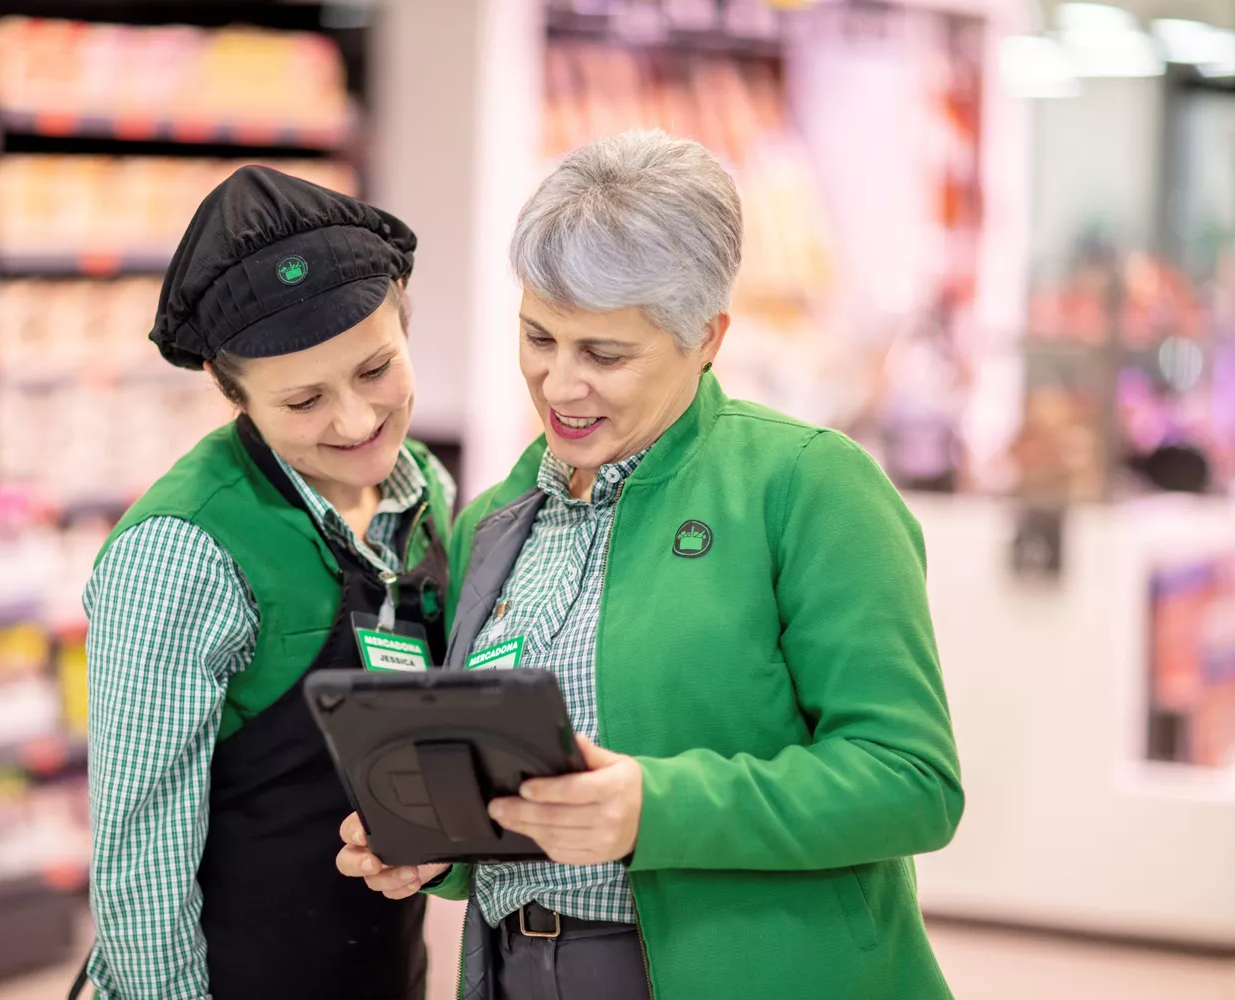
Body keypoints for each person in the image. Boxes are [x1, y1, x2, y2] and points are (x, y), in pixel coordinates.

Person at [337, 130, 964, 1000]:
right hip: (520, 970)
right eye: (538, 337)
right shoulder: (496, 521)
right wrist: (433, 844)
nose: (558, 385)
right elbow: (509, 796)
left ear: (706, 337)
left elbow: (912, 781)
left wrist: (653, 809)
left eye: (605, 354)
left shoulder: (806, 486)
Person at [79, 166, 453, 1000]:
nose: (355, 422)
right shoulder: (180, 554)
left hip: (384, 967)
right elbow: (140, 860)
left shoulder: (426, 492)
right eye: (303, 401)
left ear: (405, 316)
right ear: (231, 391)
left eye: (374, 370)